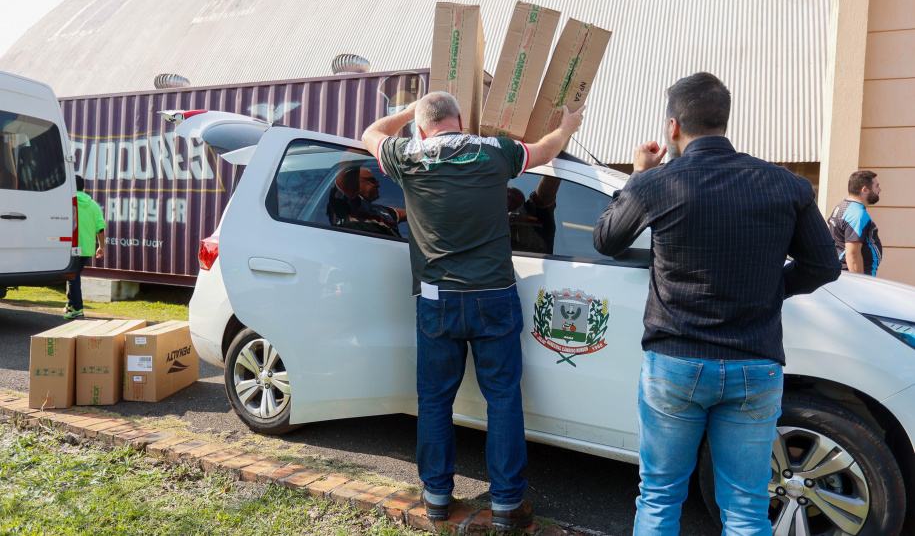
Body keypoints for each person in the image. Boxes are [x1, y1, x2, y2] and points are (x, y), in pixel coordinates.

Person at [592, 72, 840, 535]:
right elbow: (824, 266)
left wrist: (637, 174)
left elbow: (606, 239)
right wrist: (771, 290)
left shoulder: (656, 183)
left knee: (661, 495)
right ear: (724, 120)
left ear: (672, 127)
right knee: (746, 507)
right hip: (754, 363)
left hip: (675, 364)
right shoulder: (786, 185)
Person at [362, 92, 585, 529]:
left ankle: (437, 498)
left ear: (423, 128)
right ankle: (506, 505)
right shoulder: (494, 152)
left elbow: (371, 133)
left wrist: (408, 112)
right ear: (461, 119)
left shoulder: (407, 153)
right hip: (494, 296)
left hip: (436, 300)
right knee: (502, 399)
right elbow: (546, 150)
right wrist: (569, 124)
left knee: (434, 400)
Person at [326, 161, 406, 238]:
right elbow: (348, 164)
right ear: (355, 181)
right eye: (372, 180)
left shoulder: (384, 212)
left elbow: (411, 213)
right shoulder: (347, 203)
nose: (378, 185)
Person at [65, 175, 106, 319]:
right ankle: (70, 305)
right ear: (84, 187)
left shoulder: (68, 201)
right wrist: (101, 247)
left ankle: (78, 309)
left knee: (73, 278)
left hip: (71, 246)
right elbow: (100, 228)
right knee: (73, 276)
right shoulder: (93, 204)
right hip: (87, 248)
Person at [828, 170, 882, 276]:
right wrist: (859, 285)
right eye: (877, 186)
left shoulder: (842, 206)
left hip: (843, 273)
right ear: (865, 190)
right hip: (854, 277)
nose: (880, 189)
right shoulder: (858, 214)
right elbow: (852, 255)